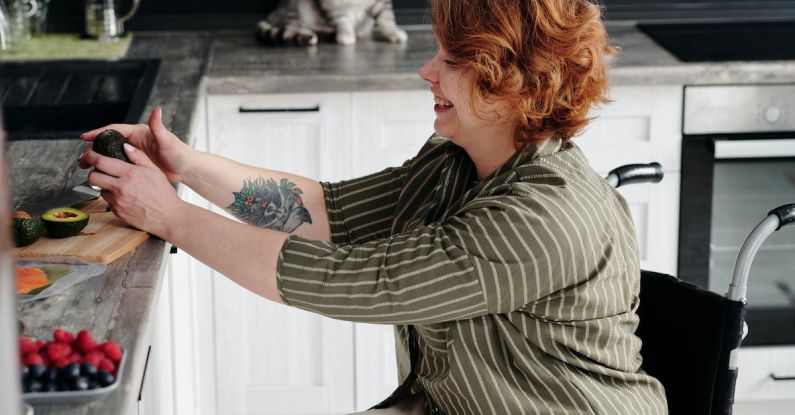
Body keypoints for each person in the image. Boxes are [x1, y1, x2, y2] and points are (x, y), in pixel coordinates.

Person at [79, 0, 668, 413]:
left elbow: (352, 280)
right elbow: (326, 213)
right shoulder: (455, 161)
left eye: (451, 61)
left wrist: (171, 216)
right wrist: (185, 165)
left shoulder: (540, 220)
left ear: (509, 81)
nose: (425, 71)